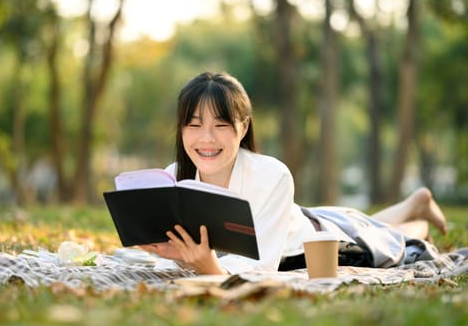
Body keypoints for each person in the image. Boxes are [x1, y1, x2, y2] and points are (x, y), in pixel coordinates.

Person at [140, 71, 447, 275]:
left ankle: (417, 219)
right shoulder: (175, 177)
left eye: (220, 125)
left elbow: (259, 269)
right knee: (366, 223)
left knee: (392, 241)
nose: (205, 139)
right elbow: (190, 254)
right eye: (193, 125)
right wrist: (173, 253)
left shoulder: (273, 175)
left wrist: (207, 266)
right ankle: (413, 204)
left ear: (243, 127)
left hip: (311, 246)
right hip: (297, 218)